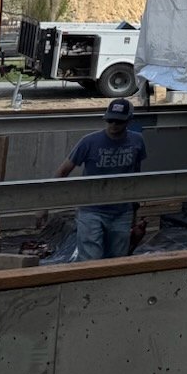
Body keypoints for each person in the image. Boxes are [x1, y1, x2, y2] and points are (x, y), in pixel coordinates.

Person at [57, 98, 147, 260]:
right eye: (110, 120)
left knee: (117, 258)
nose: (113, 125)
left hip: (121, 211)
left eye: (119, 121)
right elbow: (63, 171)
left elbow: (136, 175)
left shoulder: (137, 141)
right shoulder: (89, 142)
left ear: (129, 121)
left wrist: (134, 208)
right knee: (90, 259)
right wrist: (43, 206)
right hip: (92, 209)